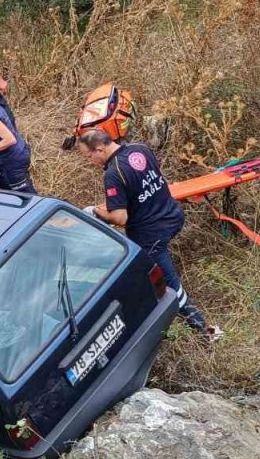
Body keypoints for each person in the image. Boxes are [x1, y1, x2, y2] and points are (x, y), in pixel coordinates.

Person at [75, 127, 223, 341]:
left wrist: (95, 212)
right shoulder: (140, 149)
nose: (90, 161)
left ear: (99, 149)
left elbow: (120, 218)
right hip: (172, 215)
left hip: (150, 235)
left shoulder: (113, 174)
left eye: (89, 156)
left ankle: (204, 331)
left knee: (171, 285)